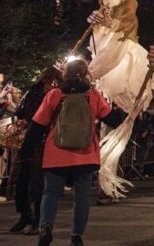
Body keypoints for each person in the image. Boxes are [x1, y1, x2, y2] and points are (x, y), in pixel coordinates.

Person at [18, 59, 125, 246]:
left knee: (50, 193)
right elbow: (113, 120)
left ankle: (45, 226)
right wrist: (126, 111)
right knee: (82, 198)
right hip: (86, 155)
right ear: (86, 74)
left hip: (56, 154)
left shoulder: (54, 95)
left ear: (65, 74)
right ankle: (76, 236)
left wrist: (25, 151)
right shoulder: (93, 96)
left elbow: (37, 126)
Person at [8, 67, 61, 235]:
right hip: (30, 140)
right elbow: (21, 111)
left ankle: (38, 218)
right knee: (22, 182)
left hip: (42, 142)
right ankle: (26, 215)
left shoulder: (55, 94)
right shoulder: (34, 91)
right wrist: (23, 121)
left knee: (37, 183)